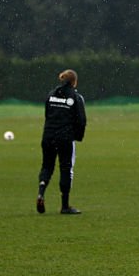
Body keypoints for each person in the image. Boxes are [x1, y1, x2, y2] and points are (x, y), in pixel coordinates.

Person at [37, 69, 87, 214]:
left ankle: (41, 193)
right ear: (74, 82)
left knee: (47, 166)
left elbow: (47, 114)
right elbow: (81, 121)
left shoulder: (51, 95)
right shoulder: (76, 97)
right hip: (64, 138)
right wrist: (77, 136)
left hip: (48, 136)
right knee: (66, 169)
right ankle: (65, 206)